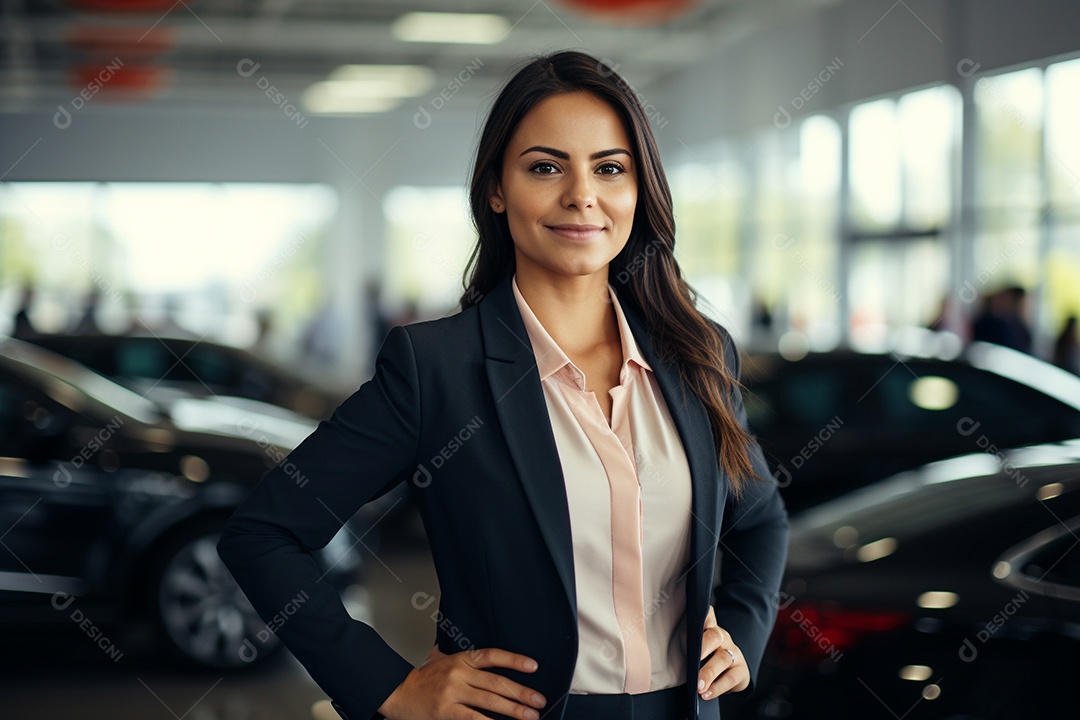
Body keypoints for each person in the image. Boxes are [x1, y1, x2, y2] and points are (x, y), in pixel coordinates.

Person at [217, 50, 788, 720]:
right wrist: (387, 685)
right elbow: (262, 533)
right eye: (546, 167)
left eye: (610, 168)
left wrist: (745, 634)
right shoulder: (437, 368)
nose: (582, 195)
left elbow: (760, 517)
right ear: (497, 189)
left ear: (640, 189)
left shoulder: (695, 354)